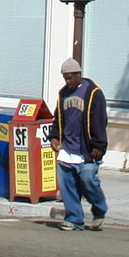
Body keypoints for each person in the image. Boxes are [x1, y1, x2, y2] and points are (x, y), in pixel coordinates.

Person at [48, 58, 108, 232]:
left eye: (70, 78)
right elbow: (58, 117)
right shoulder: (63, 93)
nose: (68, 82)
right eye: (65, 78)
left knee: (88, 180)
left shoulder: (93, 93)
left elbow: (99, 120)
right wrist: (54, 136)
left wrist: (98, 145)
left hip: (87, 149)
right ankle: (74, 219)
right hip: (67, 148)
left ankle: (99, 209)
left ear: (78, 74)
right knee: (67, 186)